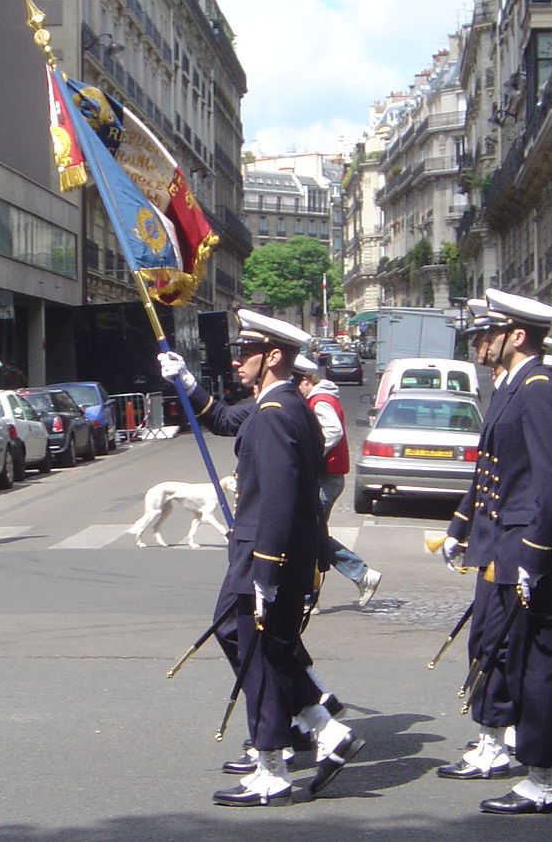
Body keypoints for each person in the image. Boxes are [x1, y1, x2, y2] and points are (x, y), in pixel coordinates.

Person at [159, 310, 365, 807]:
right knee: (255, 644)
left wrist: (267, 570)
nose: (235, 361)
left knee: (253, 646)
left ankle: (274, 762)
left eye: (244, 354)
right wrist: (185, 381)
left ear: (273, 357)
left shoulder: (276, 415)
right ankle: (317, 728)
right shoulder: (277, 404)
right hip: (265, 551)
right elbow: (226, 420)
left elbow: (278, 498)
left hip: (264, 553)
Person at [436, 288, 552, 814]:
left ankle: (547, 776)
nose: (478, 342)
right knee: (495, 648)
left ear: (516, 336)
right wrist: (461, 525)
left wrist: (537, 556)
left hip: (525, 546)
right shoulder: (513, 385)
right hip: (501, 541)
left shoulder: (540, 387)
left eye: (487, 333)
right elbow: (493, 471)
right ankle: (513, 745)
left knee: (536, 662)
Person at [293, 360, 382, 609]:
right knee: (313, 535)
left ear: (306, 381)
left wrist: (313, 454)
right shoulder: (321, 397)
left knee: (310, 535)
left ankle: (356, 576)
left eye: (296, 384)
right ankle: (313, 594)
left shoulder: (319, 400)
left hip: (327, 477)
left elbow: (332, 431)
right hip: (329, 476)